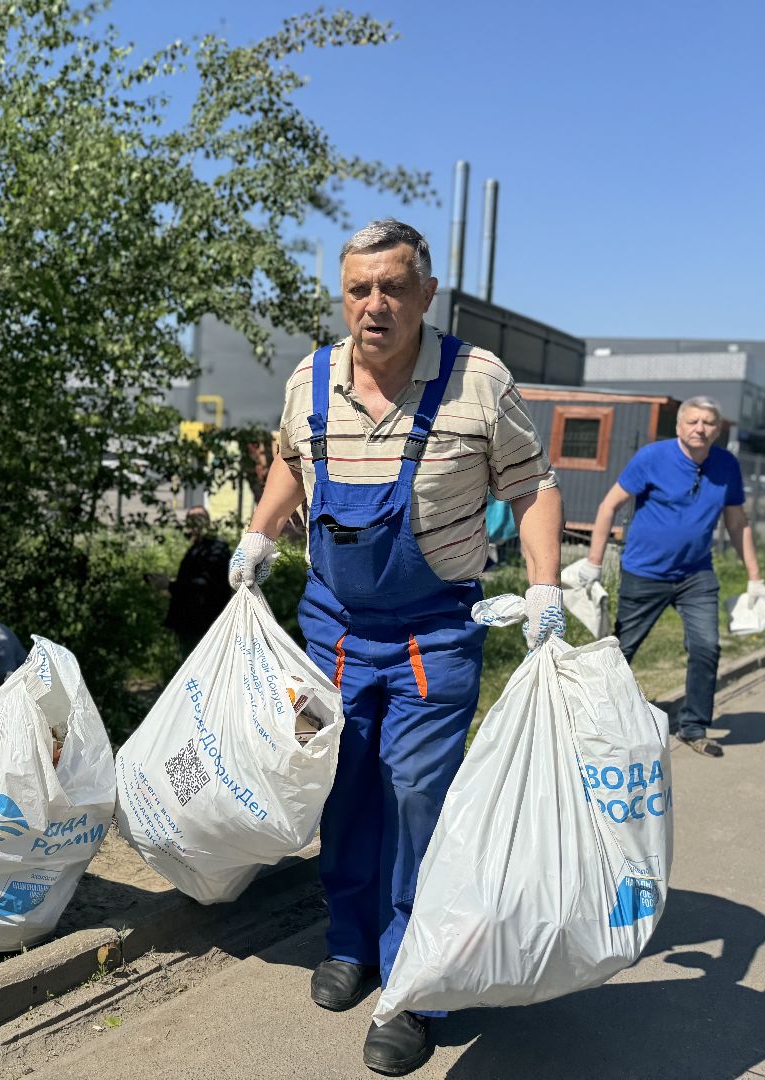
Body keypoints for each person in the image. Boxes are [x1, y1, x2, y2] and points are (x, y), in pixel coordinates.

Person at [227, 219, 564, 1076]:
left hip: (431, 633)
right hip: (332, 630)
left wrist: (547, 586)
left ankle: (416, 983)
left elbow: (532, 486)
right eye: (358, 289)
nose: (374, 305)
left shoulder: (478, 383)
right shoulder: (311, 378)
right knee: (342, 789)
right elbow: (290, 468)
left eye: (392, 287)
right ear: (344, 296)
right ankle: (350, 942)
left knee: (419, 799)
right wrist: (258, 536)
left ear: (425, 293)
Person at [577, 396, 765, 758]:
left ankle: (692, 727)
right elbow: (609, 505)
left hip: (696, 574)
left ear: (718, 429)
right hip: (644, 572)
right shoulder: (652, 457)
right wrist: (593, 562)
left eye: (708, 422)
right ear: (679, 426)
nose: (700, 428)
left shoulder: (726, 465)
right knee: (620, 650)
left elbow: (737, 522)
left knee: (706, 646)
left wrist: (755, 578)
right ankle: (592, 723)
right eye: (693, 421)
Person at [163, 507, 233, 656]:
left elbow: (207, 584)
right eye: (192, 520)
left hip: (204, 622)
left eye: (199, 519)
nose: (195, 524)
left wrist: (170, 585)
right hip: (190, 622)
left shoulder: (216, 548)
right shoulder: (197, 548)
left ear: (207, 522)